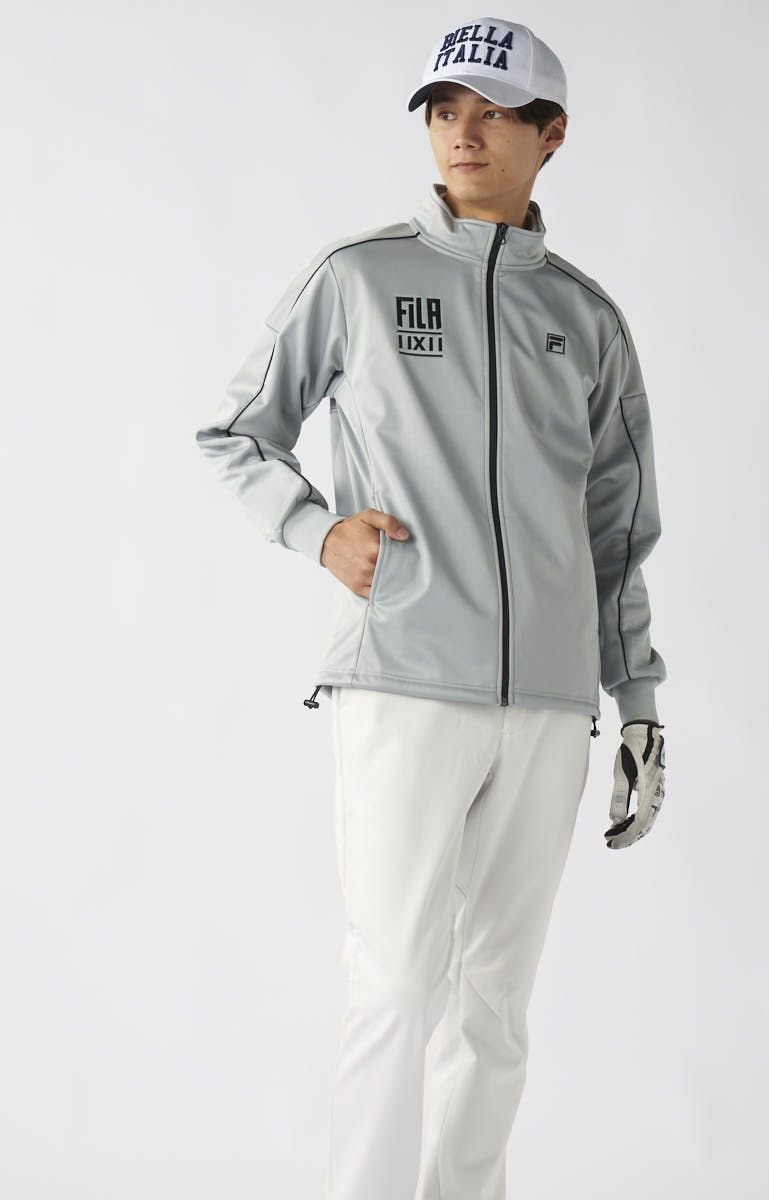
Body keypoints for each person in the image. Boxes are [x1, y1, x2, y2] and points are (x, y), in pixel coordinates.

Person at [195, 17, 667, 1198]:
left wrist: (638, 701)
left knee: (493, 1002)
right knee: (397, 984)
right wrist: (316, 530)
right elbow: (236, 433)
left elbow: (618, 530)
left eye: (494, 114)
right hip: (402, 679)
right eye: (445, 110)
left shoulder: (590, 321)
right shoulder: (360, 277)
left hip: (549, 707)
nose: (463, 133)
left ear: (551, 136)